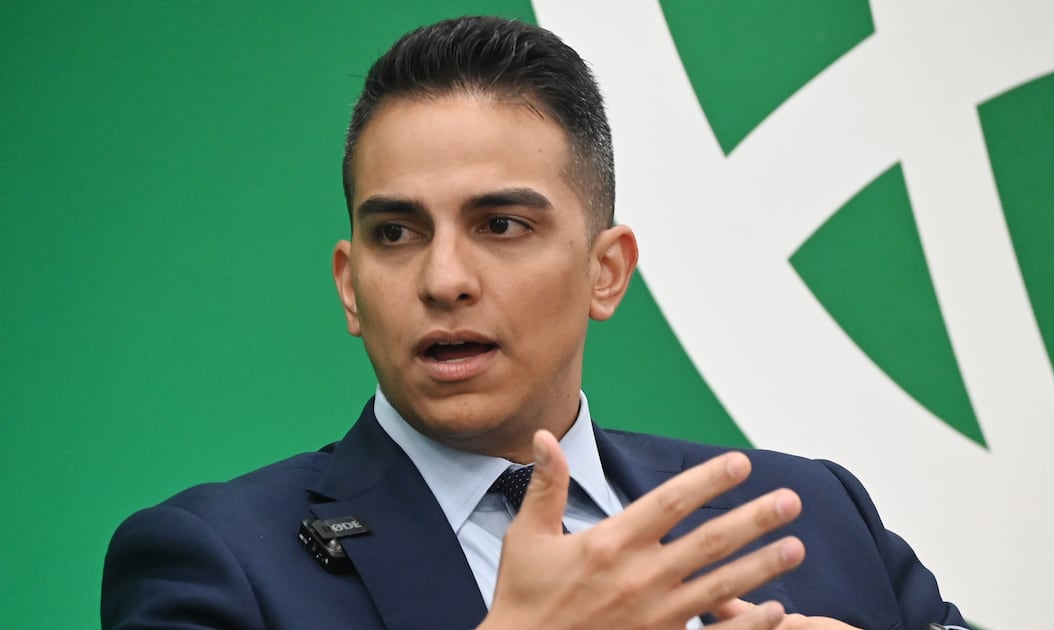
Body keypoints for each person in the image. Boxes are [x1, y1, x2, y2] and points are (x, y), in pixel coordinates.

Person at [101, 16, 969, 630]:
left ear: (606, 271)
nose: (444, 279)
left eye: (501, 225)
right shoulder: (216, 563)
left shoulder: (812, 517)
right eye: (395, 233)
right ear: (350, 286)